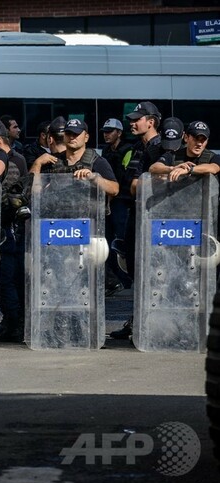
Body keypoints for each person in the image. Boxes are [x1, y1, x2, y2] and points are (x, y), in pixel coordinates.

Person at [111, 102, 162, 340]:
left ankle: (155, 323)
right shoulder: (137, 148)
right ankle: (137, 321)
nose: (132, 123)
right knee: (135, 270)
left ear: (150, 121)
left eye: (137, 119)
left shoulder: (163, 146)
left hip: (156, 218)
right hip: (136, 215)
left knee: (156, 272)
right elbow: (131, 185)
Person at [0, 120, 30, 343]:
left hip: (9, 225)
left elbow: (23, 190)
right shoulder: (16, 158)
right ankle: (11, 321)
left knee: (8, 277)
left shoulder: (16, 160)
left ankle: (14, 322)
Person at [100, 118, 134, 295]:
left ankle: (127, 280)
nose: (106, 134)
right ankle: (115, 279)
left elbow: (124, 176)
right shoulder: (105, 151)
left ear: (119, 133)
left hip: (120, 200)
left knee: (120, 242)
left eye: (110, 131)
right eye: (105, 131)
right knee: (105, 241)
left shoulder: (127, 150)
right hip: (108, 200)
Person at [149, 120, 220, 180]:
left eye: (203, 140)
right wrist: (172, 168)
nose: (199, 144)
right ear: (186, 138)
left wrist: (189, 170)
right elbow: (153, 168)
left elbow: (214, 168)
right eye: (196, 139)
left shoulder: (213, 157)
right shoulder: (173, 155)